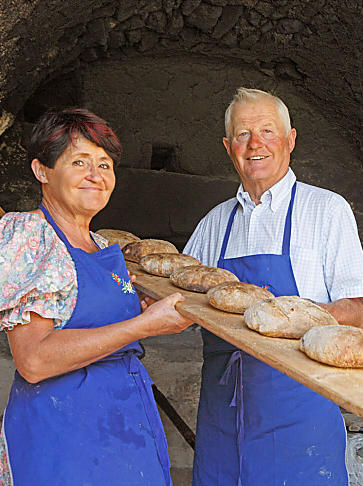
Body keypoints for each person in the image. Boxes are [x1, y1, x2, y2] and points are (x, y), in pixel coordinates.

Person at [0, 108, 193, 486]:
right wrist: (143, 325)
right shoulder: (30, 236)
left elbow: (88, 314)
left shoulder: (103, 245)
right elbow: (34, 360)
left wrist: (140, 311)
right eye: (79, 162)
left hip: (125, 426)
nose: (96, 175)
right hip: (65, 435)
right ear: (42, 171)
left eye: (105, 164)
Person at [184, 88, 363, 486]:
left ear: (290, 139)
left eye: (267, 130)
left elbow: (360, 305)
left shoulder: (326, 210)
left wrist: (290, 320)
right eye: (243, 134)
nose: (255, 144)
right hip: (222, 416)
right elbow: (179, 303)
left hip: (301, 418)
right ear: (229, 146)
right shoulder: (216, 222)